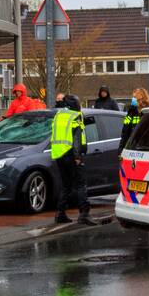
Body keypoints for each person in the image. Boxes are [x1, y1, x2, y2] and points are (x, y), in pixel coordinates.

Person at [50, 93, 94, 225]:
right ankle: (84, 214)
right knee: (80, 184)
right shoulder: (75, 116)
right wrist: (78, 156)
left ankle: (60, 214)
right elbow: (76, 139)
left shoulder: (59, 115)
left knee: (66, 185)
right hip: (71, 155)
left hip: (59, 154)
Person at [118, 87, 149, 155]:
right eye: (133, 97)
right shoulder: (131, 112)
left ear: (141, 98)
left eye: (135, 97)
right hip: (131, 150)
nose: (133, 99)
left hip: (145, 150)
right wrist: (121, 148)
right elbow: (125, 131)